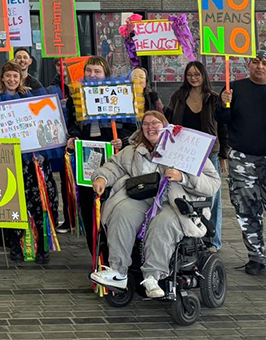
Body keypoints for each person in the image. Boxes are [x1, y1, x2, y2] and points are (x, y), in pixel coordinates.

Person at [89, 111, 221, 298]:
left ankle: (152, 276)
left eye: (155, 123)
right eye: (146, 124)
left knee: (162, 222)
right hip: (143, 198)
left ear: (165, 125)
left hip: (176, 202)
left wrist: (182, 177)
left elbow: (213, 182)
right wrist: (101, 178)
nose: (150, 127)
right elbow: (113, 167)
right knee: (122, 212)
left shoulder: (185, 148)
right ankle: (118, 272)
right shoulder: (133, 150)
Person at [216, 51, 266, 280]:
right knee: (246, 211)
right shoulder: (233, 89)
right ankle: (256, 256)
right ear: (248, 66)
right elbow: (221, 119)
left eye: (265, 63)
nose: (260, 66)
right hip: (242, 160)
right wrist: (224, 104)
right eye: (255, 62)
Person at [0, 62, 62, 263]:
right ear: (2, 78)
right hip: (9, 160)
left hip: (32, 160)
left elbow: (40, 125)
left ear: (20, 78)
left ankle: (43, 247)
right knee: (14, 204)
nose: (11, 80)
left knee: (38, 203)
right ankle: (16, 245)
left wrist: (42, 151)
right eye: (8, 76)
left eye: (15, 76)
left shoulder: (30, 97)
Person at [65, 56, 136, 250]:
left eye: (97, 71)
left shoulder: (120, 93)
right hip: (86, 154)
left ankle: (114, 250)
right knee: (89, 205)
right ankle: (95, 254)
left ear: (106, 74)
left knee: (112, 202)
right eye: (89, 71)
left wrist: (122, 139)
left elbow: (131, 127)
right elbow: (71, 123)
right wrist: (73, 136)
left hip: (113, 155)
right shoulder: (76, 95)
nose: (92, 75)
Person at [164, 61, 228, 250]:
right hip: (183, 154)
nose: (193, 78)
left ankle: (212, 240)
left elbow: (223, 128)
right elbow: (167, 121)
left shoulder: (214, 98)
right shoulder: (178, 97)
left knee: (212, 197)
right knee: (185, 192)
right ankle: (189, 235)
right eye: (189, 74)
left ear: (204, 76)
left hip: (210, 154)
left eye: (197, 74)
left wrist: (224, 154)